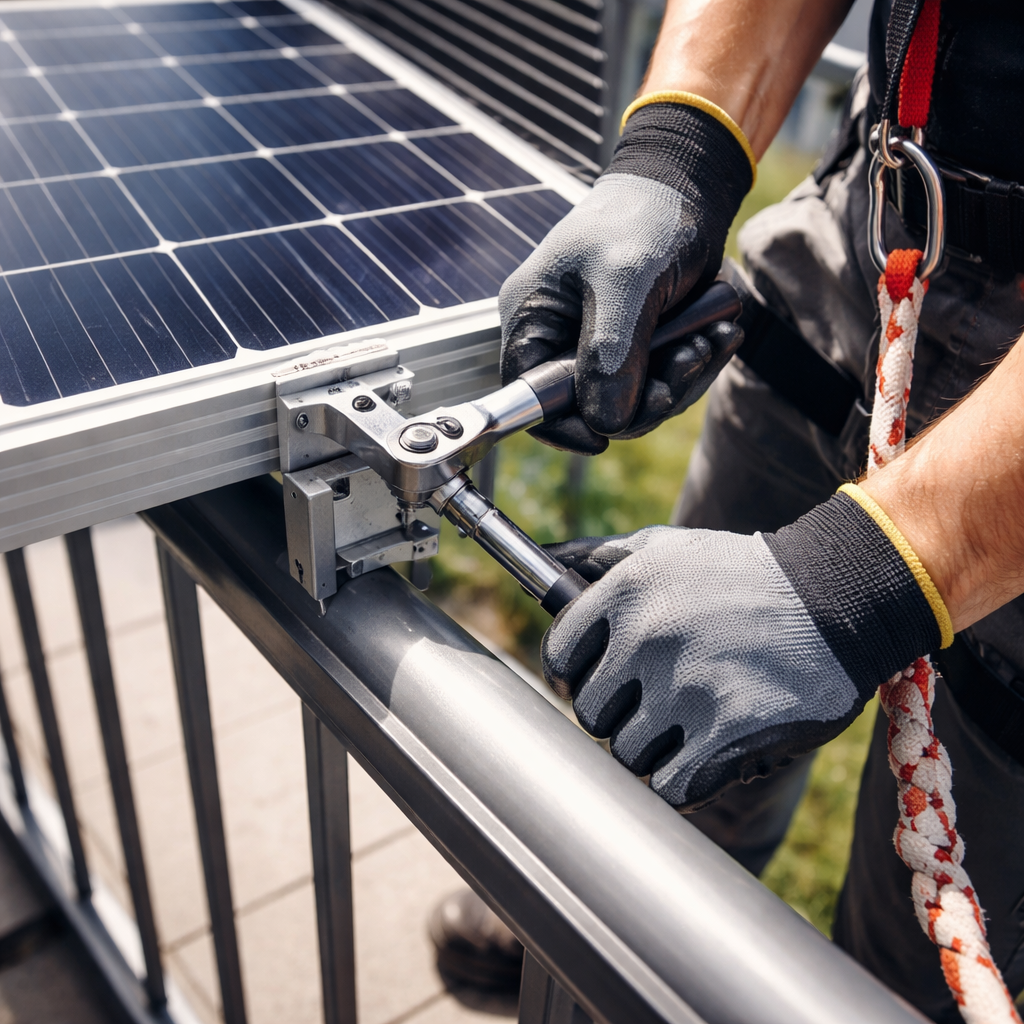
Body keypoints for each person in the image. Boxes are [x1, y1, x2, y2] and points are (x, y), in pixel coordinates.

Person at [431, 1, 1024, 1019]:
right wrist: (678, 150)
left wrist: (872, 568)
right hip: (863, 236)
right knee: (658, 745)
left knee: (902, 977)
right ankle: (603, 934)